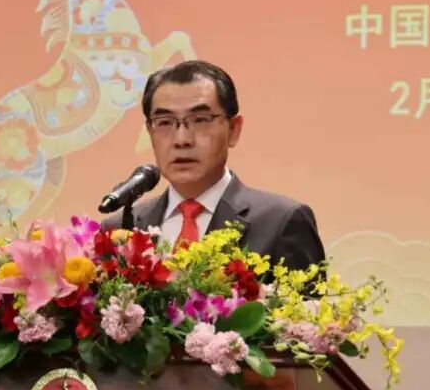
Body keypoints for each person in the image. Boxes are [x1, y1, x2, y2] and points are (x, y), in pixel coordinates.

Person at [103, 60, 325, 272]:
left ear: (234, 130)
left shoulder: (281, 223)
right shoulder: (119, 230)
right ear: (150, 131)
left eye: (200, 120)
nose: (182, 139)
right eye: (165, 122)